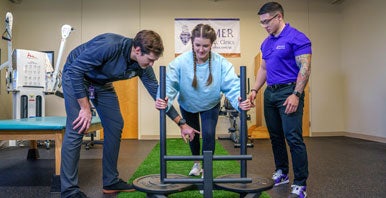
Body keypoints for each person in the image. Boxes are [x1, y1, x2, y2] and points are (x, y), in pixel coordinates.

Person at [60, 30, 181, 198]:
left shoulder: (142, 66)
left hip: (101, 83)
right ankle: (68, 191)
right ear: (138, 50)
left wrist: (180, 123)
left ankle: (110, 181)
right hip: (76, 75)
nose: (152, 64)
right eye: (150, 59)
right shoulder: (109, 45)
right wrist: (85, 108)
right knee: (77, 128)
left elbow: (157, 93)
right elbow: (75, 71)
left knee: (115, 124)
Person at [155, 24, 252, 178]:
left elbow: (233, 85)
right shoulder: (180, 62)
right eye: (197, 45)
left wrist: (239, 100)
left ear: (211, 44)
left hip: (210, 104)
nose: (201, 49)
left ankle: (206, 171)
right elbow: (169, 82)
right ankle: (196, 163)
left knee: (208, 134)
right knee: (192, 134)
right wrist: (164, 97)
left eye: (205, 46)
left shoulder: (221, 63)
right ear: (192, 43)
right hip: (188, 103)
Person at [249, 2, 312, 198]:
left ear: (278, 17)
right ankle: (282, 173)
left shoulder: (297, 37)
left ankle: (300, 183)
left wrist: (296, 94)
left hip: (289, 92)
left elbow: (305, 68)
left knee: (293, 137)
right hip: (270, 94)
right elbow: (264, 69)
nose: (264, 25)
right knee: (275, 137)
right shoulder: (266, 42)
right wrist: (255, 89)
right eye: (261, 22)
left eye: (267, 21)